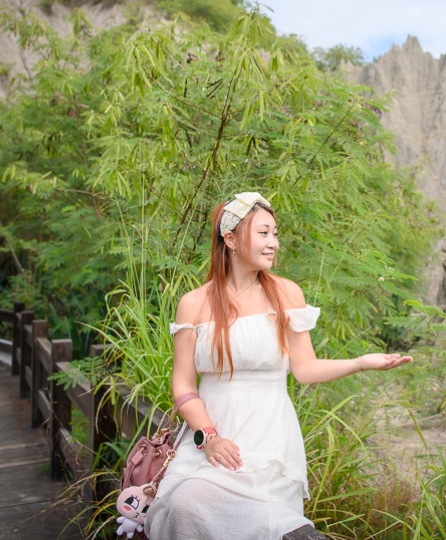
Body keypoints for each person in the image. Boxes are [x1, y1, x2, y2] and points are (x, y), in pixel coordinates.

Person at [144, 192, 412, 540]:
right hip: (213, 442)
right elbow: (183, 383)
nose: (274, 243)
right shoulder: (194, 303)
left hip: (268, 441)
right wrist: (208, 438)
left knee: (270, 527)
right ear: (230, 240)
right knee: (184, 506)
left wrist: (362, 363)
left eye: (275, 234)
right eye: (264, 233)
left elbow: (305, 369)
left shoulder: (286, 294)